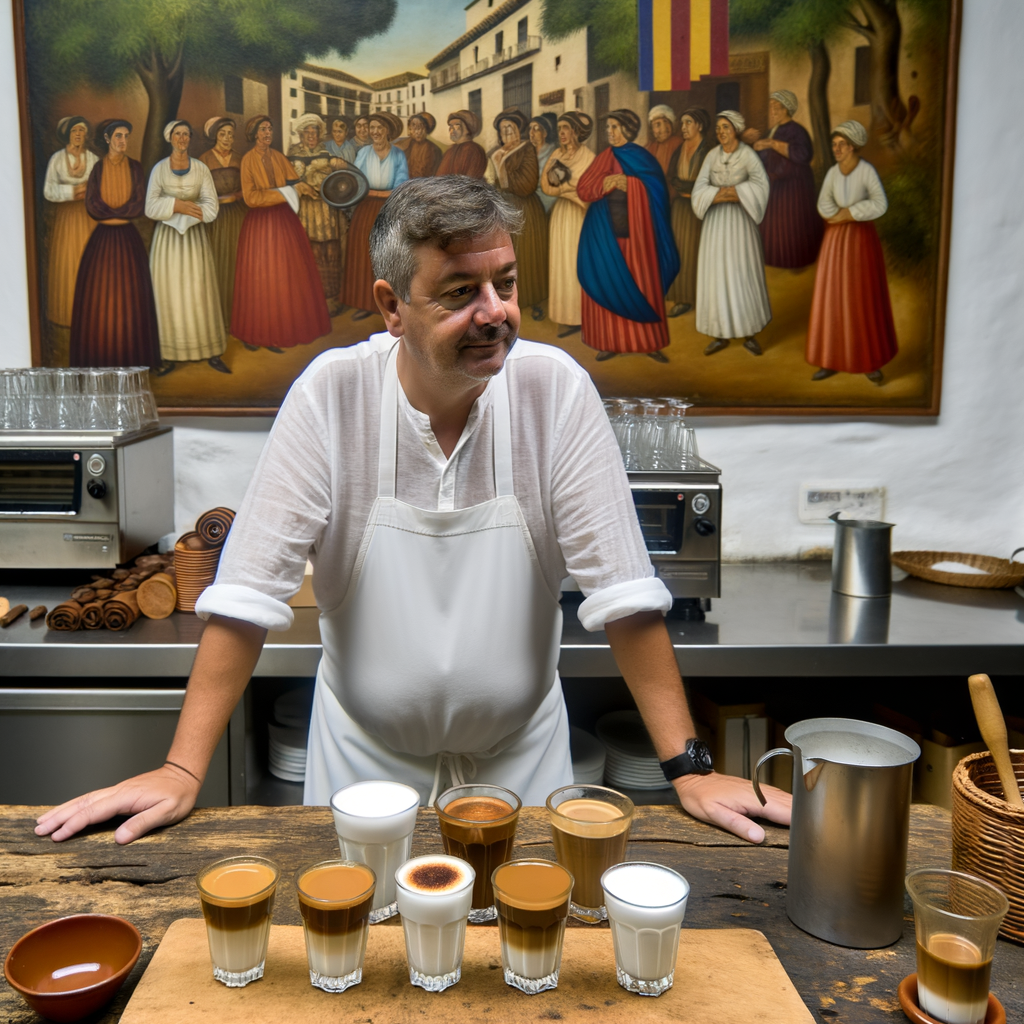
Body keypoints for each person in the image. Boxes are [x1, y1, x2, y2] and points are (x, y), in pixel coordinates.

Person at [34, 175, 790, 847]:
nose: (495, 313)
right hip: (363, 769)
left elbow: (624, 596)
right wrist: (180, 769)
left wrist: (689, 770)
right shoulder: (333, 396)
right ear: (393, 306)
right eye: (462, 292)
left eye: (506, 284)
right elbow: (245, 599)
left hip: (520, 768)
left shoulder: (553, 391)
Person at [576, 108, 678, 363]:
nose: (610, 132)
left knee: (642, 284)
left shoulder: (641, 157)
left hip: (637, 235)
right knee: (608, 281)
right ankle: (610, 342)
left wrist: (631, 184)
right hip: (605, 234)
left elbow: (658, 193)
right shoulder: (604, 156)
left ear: (627, 130)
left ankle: (648, 342)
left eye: (614, 127)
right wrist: (606, 184)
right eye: (607, 127)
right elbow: (584, 188)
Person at [806, 120, 897, 384]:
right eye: (834, 145)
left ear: (854, 146)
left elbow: (880, 203)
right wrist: (834, 215)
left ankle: (869, 361)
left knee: (860, 296)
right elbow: (823, 202)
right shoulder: (833, 173)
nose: (837, 149)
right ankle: (831, 359)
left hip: (860, 242)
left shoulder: (866, 170)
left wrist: (850, 213)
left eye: (841, 144)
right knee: (832, 297)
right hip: (834, 241)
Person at [231, 114, 330, 351]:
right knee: (260, 279)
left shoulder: (278, 156)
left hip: (284, 222)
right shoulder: (247, 160)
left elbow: (293, 182)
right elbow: (251, 197)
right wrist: (285, 192)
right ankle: (256, 333)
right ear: (255, 134)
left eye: (270, 129)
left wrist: (302, 187)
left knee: (285, 275)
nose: (267, 133)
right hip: (259, 226)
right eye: (263, 130)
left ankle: (278, 332)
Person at [69, 119, 160, 368]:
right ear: (108, 139)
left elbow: (138, 204)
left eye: (126, 136)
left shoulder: (135, 167)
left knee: (132, 298)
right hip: (102, 241)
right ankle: (100, 357)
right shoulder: (98, 169)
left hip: (128, 240)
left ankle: (134, 357)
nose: (123, 141)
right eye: (118, 136)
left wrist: (119, 212)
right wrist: (115, 213)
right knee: (100, 299)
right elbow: (93, 205)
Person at [146, 120, 227, 376]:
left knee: (198, 292)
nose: (182, 138)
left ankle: (210, 351)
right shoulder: (159, 169)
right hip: (167, 242)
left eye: (185, 134)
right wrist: (177, 206)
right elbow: (149, 208)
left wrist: (191, 214)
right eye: (177, 134)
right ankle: (168, 355)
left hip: (194, 241)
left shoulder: (201, 169)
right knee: (168, 294)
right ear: (170, 138)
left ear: (190, 138)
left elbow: (212, 207)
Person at [691, 111, 772, 357]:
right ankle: (719, 333)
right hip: (715, 225)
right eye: (718, 128)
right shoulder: (711, 156)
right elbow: (700, 188)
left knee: (742, 273)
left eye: (725, 127)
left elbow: (761, 185)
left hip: (741, 225)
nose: (721, 132)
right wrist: (718, 195)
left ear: (735, 129)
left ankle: (749, 332)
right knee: (717, 276)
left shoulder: (747, 155)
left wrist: (737, 192)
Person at [743, 90, 823, 269]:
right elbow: (763, 158)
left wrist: (772, 144)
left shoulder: (798, 131)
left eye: (776, 107)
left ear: (786, 109)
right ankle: (773, 258)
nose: (772, 111)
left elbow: (803, 154)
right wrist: (756, 149)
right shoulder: (772, 131)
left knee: (792, 223)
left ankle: (797, 260)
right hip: (774, 184)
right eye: (771, 107)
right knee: (774, 225)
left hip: (795, 186)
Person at [343, 111, 409, 320]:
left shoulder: (398, 154)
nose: (375, 132)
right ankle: (363, 302)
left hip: (388, 210)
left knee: (386, 254)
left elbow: (401, 185)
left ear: (388, 131)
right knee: (362, 254)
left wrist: (376, 192)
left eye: (380, 128)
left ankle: (389, 303)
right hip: (365, 210)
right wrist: (369, 192)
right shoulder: (363, 153)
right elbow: (355, 181)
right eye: (372, 128)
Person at [486, 108, 547, 320]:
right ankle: (504, 300)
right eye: (503, 130)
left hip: (525, 210)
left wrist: (502, 175)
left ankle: (530, 300)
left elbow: (528, 183)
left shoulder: (527, 149)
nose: (507, 134)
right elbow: (490, 182)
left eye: (511, 129)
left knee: (525, 256)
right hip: (503, 209)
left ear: (519, 130)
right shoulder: (496, 152)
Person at [541, 111, 595, 337]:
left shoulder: (589, 156)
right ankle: (567, 316)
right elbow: (546, 185)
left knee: (577, 263)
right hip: (562, 214)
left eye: (565, 128)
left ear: (576, 132)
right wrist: (567, 189)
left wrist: (566, 187)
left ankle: (584, 316)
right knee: (561, 262)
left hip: (581, 216)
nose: (561, 133)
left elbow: (589, 191)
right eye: (560, 128)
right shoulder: (555, 154)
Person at [43, 116, 98, 328]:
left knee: (88, 261)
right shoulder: (57, 159)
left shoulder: (92, 159)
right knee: (67, 262)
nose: (78, 135)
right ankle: (66, 315)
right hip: (66, 219)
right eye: (74, 130)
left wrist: (89, 191)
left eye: (81, 131)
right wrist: (72, 191)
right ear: (67, 134)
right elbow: (48, 190)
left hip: (87, 218)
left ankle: (90, 314)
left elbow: (99, 187)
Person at [288, 113, 345, 307]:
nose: (311, 135)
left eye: (315, 131)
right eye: (307, 132)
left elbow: (340, 178)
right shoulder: (292, 152)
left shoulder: (326, 152)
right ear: (301, 134)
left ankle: (330, 300)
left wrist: (337, 164)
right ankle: (307, 300)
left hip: (325, 209)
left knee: (329, 250)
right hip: (303, 210)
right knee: (306, 251)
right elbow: (287, 180)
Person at [199, 117, 247, 328]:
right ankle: (221, 320)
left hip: (238, 216)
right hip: (215, 220)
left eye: (230, 134)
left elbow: (247, 187)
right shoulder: (204, 160)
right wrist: (216, 201)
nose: (227, 138)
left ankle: (241, 319)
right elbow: (198, 192)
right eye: (222, 134)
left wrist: (236, 196)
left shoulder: (240, 158)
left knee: (240, 265)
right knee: (219, 264)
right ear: (214, 136)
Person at [665, 107, 713, 318]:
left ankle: (705, 298)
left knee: (701, 252)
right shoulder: (680, 149)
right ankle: (684, 298)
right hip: (681, 208)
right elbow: (672, 177)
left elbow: (710, 180)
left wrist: (689, 187)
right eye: (682, 123)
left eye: (688, 123)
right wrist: (685, 186)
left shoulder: (709, 149)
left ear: (700, 126)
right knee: (680, 252)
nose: (683, 128)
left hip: (701, 209)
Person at [436, 110, 487, 178]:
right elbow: (439, 177)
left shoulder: (475, 150)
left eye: (457, 125)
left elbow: (471, 179)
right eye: (450, 126)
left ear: (468, 128)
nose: (451, 130)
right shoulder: (450, 151)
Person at [645, 104, 683, 191]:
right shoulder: (650, 147)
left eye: (666, 122)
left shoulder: (679, 143)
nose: (663, 128)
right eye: (658, 124)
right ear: (652, 129)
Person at [528, 113, 558, 214]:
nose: (531, 133)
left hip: (547, 202)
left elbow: (554, 186)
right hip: (530, 200)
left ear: (545, 133)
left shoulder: (553, 154)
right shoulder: (527, 153)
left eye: (536, 129)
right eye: (530, 129)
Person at [400, 112, 443, 178]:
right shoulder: (406, 146)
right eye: (414, 127)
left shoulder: (434, 150)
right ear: (410, 129)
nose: (417, 132)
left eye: (421, 127)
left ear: (427, 130)